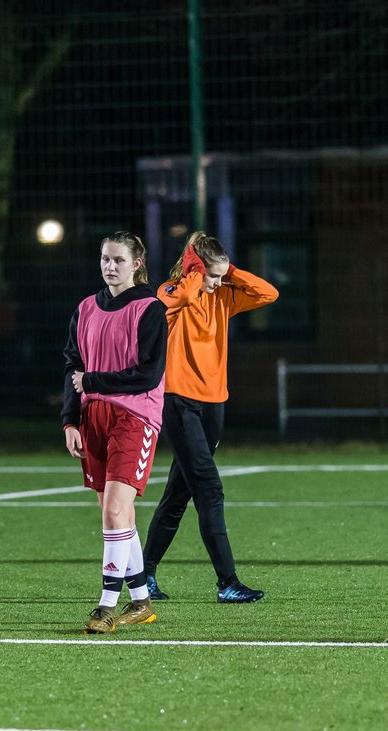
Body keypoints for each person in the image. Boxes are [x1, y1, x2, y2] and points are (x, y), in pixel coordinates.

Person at [143, 231, 278, 603]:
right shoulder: (170, 293)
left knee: (178, 493)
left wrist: (230, 271)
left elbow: (268, 292)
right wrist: (195, 272)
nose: (218, 283)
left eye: (222, 276)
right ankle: (227, 582)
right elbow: (186, 293)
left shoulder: (223, 295)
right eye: (211, 275)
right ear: (195, 268)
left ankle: (143, 574)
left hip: (214, 404)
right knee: (209, 489)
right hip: (178, 402)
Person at [61, 231, 168, 634]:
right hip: (93, 418)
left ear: (137, 263)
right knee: (118, 514)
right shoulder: (86, 308)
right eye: (105, 258)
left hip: (135, 418)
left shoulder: (150, 309)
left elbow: (148, 374)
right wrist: (70, 420)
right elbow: (72, 368)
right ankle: (140, 600)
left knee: (113, 511)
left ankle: (106, 605)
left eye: (118, 260)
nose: (110, 266)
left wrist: (95, 382)